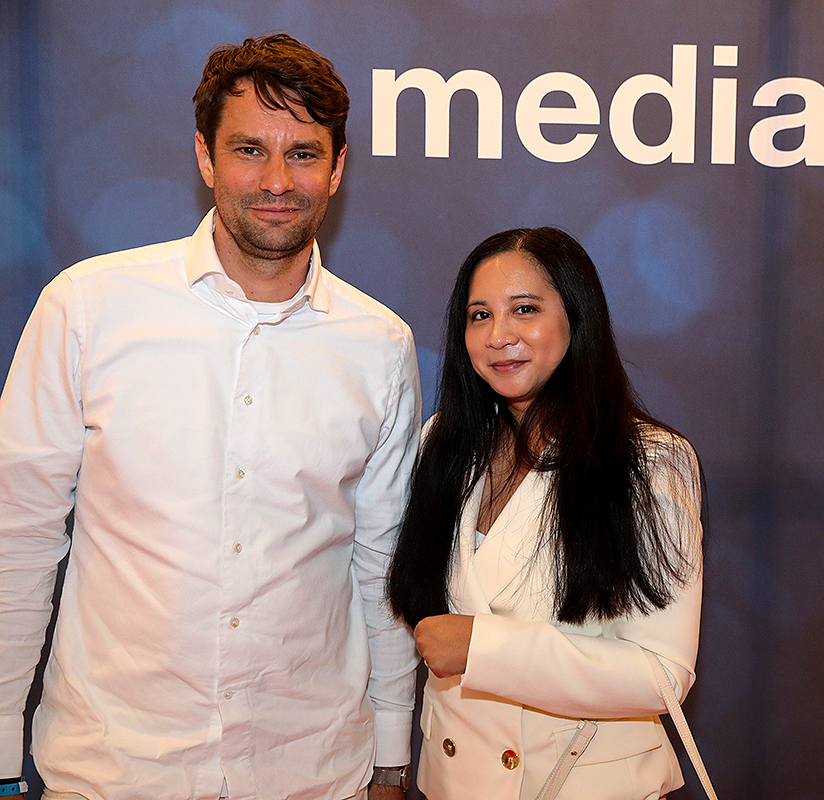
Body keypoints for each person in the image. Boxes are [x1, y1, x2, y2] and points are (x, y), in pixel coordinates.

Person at [0, 34, 420, 800]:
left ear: (337, 168)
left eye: (303, 153)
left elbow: (382, 562)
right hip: (114, 770)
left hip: (313, 772)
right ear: (205, 156)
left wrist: (392, 757)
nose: (276, 180)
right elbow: (18, 541)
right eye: (249, 149)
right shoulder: (88, 308)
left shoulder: (380, 345)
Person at [387, 228, 704, 799]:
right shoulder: (444, 443)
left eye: (525, 310)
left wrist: (484, 649)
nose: (499, 336)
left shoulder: (648, 462)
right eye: (479, 315)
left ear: (576, 319)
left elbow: (662, 675)